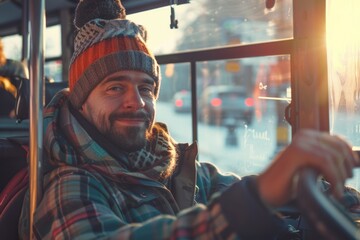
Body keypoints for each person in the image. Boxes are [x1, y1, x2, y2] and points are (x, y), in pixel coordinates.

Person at [19, 0, 360, 239]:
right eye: (114, 87)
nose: (135, 102)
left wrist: (322, 191)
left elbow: (244, 189)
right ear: (81, 101)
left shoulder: (173, 163)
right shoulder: (70, 185)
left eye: (146, 87)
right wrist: (252, 204)